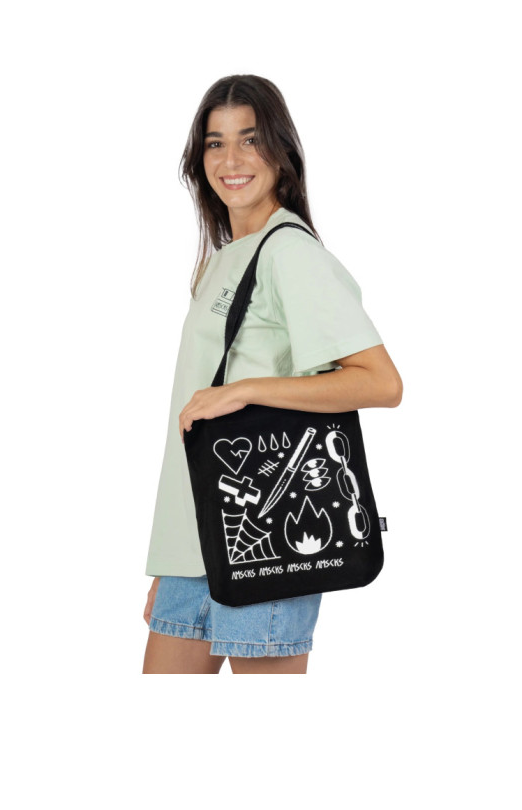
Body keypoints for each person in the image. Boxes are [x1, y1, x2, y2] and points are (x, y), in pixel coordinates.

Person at [142, 74, 402, 674]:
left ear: (281, 152)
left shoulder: (290, 252)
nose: (231, 160)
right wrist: (170, 557)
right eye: (215, 143)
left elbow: (381, 381)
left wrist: (246, 391)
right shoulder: (224, 258)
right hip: (197, 543)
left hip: (266, 539)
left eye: (250, 139)